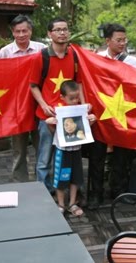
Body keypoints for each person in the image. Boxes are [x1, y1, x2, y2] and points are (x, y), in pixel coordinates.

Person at [92, 23, 136, 202]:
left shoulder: (132, 62)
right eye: (118, 40)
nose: (122, 43)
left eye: (124, 40)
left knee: (121, 156)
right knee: (97, 156)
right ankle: (96, 194)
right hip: (101, 113)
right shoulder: (96, 59)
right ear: (108, 41)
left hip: (122, 112)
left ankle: (118, 191)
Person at [30, 17, 81, 194]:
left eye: (65, 29)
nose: (62, 33)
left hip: (69, 115)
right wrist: (44, 105)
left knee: (69, 155)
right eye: (58, 30)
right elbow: (33, 85)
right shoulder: (41, 56)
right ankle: (42, 190)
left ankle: (64, 189)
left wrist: (82, 106)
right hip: (48, 116)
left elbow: (79, 82)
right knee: (44, 157)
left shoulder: (74, 55)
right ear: (49, 34)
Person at [0, 14, 47, 182]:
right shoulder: (4, 53)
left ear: (30, 31)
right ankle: (20, 183)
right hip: (16, 108)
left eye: (25, 31)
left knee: (43, 146)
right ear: (13, 32)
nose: (21, 34)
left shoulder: (42, 49)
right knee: (19, 149)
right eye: (17, 31)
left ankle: (43, 182)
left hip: (40, 104)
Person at [45, 80, 96, 217]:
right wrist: (49, 123)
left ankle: (72, 203)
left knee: (76, 177)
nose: (75, 101)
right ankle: (61, 204)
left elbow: (84, 130)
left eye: (77, 97)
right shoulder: (58, 112)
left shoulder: (81, 110)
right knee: (61, 177)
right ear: (62, 97)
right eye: (71, 98)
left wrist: (91, 121)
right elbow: (54, 132)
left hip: (76, 150)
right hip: (62, 151)